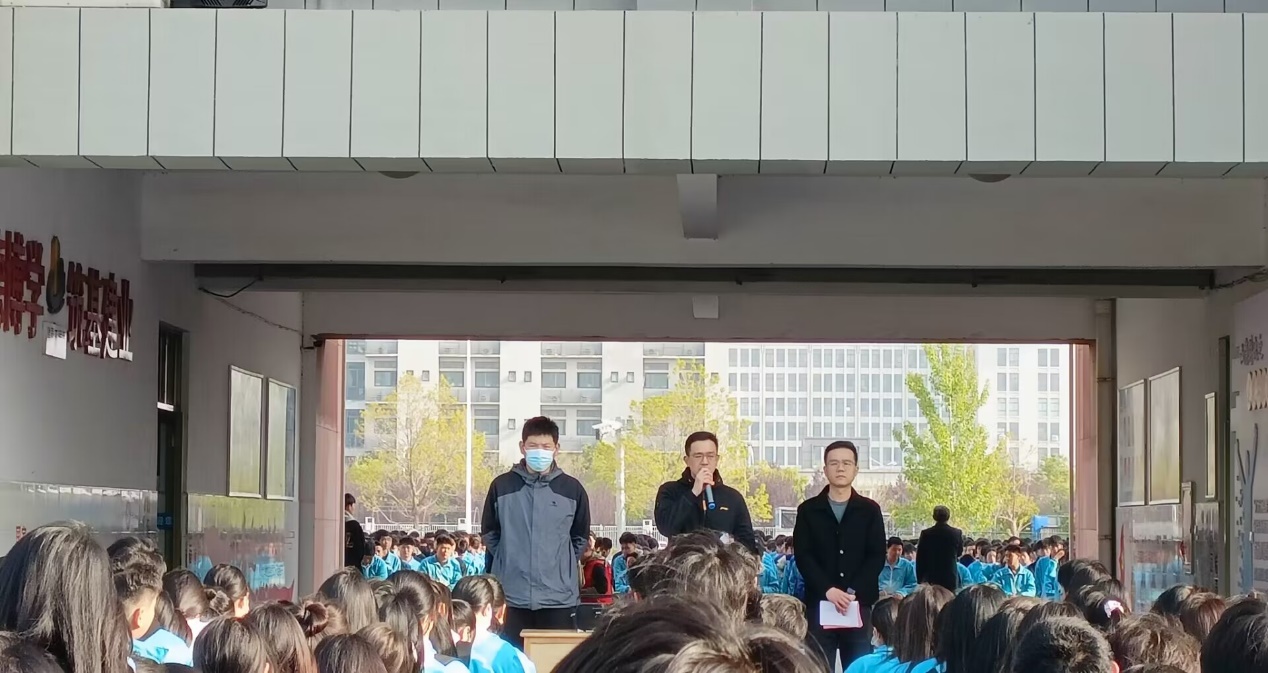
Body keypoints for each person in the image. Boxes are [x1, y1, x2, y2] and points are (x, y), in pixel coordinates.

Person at [481, 416, 591, 649]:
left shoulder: (572, 489)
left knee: (556, 662)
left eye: (546, 446)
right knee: (510, 661)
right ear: (522, 447)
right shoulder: (502, 486)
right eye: (533, 445)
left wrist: (561, 562)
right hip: (511, 597)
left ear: (556, 448)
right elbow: (489, 531)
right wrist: (507, 556)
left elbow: (580, 536)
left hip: (558, 598)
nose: (539, 451)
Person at [792, 440, 887, 670]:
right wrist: (828, 589)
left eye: (846, 463)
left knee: (858, 666)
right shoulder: (808, 510)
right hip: (819, 604)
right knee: (817, 666)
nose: (840, 468)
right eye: (834, 463)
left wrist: (851, 592)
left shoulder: (870, 510)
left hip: (858, 605)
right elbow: (803, 555)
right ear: (825, 469)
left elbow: (876, 555)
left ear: (856, 469)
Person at [653, 431, 760, 554]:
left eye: (710, 456)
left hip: (721, 564)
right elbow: (666, 528)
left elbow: (747, 543)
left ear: (717, 459)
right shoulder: (670, 490)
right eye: (698, 456)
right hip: (681, 563)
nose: (705, 461)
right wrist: (693, 493)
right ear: (687, 460)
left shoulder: (732, 497)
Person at [915, 506, 963, 593]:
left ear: (934, 517)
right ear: (948, 517)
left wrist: (920, 579)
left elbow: (920, 557)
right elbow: (959, 552)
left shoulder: (926, 533)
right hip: (950, 575)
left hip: (931, 576)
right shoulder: (956, 533)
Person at [345, 494, 370, 570]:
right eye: (353, 506)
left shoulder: (334, 524)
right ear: (349, 506)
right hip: (352, 565)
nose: (354, 509)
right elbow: (360, 547)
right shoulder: (354, 525)